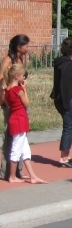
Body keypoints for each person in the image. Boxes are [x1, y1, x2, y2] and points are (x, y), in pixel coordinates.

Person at [4, 64, 46, 184]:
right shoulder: (18, 90)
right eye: (23, 76)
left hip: (14, 117)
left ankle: (33, 176)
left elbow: (8, 104)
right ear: (17, 76)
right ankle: (12, 176)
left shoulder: (7, 90)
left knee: (25, 149)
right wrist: (25, 89)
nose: (24, 78)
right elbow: (26, 104)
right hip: (20, 119)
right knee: (16, 148)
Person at [0, 34, 30, 180]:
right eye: (26, 46)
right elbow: (1, 79)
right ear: (19, 47)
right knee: (10, 135)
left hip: (21, 100)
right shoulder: (8, 60)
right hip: (11, 102)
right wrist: (3, 98)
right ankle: (5, 170)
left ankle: (18, 169)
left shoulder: (20, 59)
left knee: (21, 137)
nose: (28, 48)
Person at [50, 37, 72, 168]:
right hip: (67, 100)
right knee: (69, 127)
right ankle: (64, 158)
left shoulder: (61, 62)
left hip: (60, 98)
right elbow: (66, 84)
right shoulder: (70, 65)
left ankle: (66, 155)